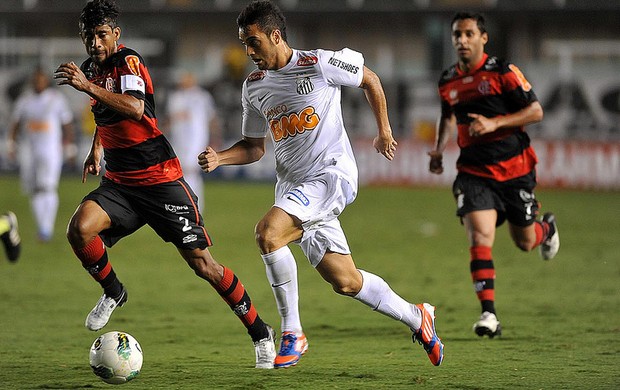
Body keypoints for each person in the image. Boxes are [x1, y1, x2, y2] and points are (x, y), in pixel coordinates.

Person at [199, 0, 444, 368]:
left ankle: (292, 332)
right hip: (295, 188)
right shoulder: (254, 88)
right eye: (244, 44)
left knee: (268, 233)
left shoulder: (319, 63)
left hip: (331, 176)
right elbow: (253, 148)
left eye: (253, 42)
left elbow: (370, 79)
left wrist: (384, 132)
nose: (248, 52)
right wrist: (221, 157)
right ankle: (417, 317)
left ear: (275, 35)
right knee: (345, 281)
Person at [53, 0, 276, 369]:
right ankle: (114, 292)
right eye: (89, 36)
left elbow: (135, 108)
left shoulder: (128, 62)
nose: (95, 43)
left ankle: (260, 331)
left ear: (116, 35)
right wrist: (96, 150)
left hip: (160, 181)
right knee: (79, 229)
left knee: (204, 266)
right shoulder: (93, 68)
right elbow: (104, 114)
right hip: (121, 183)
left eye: (102, 35)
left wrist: (88, 86)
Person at [428, 12, 560, 338]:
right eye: (457, 34)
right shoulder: (448, 81)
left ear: (482, 38)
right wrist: (438, 150)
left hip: (515, 169)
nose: (461, 40)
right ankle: (489, 314)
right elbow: (447, 118)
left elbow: (536, 111)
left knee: (525, 241)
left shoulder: (503, 71)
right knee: (480, 236)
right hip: (474, 172)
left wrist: (495, 123)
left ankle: (546, 229)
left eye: (468, 34)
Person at [8, 68, 75, 242]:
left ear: (46, 81)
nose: (38, 82)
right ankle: (43, 227)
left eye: (41, 79)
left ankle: (47, 226)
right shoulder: (25, 100)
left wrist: (69, 147)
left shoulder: (56, 99)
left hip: (50, 150)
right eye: (35, 80)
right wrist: (11, 144)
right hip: (29, 151)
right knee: (34, 188)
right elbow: (15, 123)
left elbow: (66, 123)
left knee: (48, 187)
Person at [166, 72, 219, 210]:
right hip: (178, 140)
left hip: (196, 140)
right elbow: (171, 118)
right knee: (180, 172)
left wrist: (215, 138)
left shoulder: (202, 96)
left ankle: (194, 206)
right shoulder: (176, 96)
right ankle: (184, 204)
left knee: (192, 171)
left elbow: (211, 118)